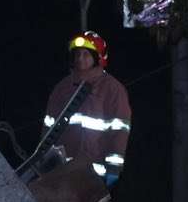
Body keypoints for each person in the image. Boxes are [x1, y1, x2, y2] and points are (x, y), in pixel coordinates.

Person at [42, 31, 130, 186]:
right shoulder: (62, 88)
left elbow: (120, 131)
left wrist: (114, 168)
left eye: (86, 54)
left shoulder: (112, 89)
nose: (80, 59)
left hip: (95, 175)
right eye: (77, 55)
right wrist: (45, 161)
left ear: (98, 57)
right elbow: (48, 128)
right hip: (63, 172)